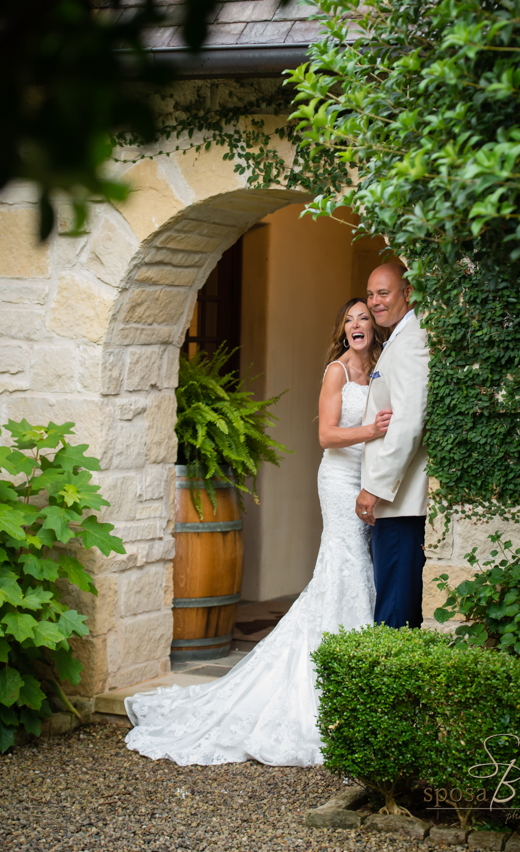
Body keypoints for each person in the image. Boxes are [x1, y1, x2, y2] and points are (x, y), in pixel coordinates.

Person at [124, 298, 390, 767]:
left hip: (371, 480)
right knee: (345, 563)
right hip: (340, 480)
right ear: (342, 330)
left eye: (362, 318)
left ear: (374, 326)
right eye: (347, 319)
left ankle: (353, 673)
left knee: (353, 569)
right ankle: (335, 680)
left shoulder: (383, 368)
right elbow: (327, 436)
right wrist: (371, 429)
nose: (355, 325)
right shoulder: (338, 372)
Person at [356, 261, 430, 630]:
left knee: (395, 612)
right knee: (393, 600)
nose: (374, 302)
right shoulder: (398, 339)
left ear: (408, 293)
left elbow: (407, 423)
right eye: (370, 294)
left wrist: (375, 487)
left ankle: (396, 687)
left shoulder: (411, 342)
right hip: (394, 504)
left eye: (382, 293)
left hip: (399, 504)